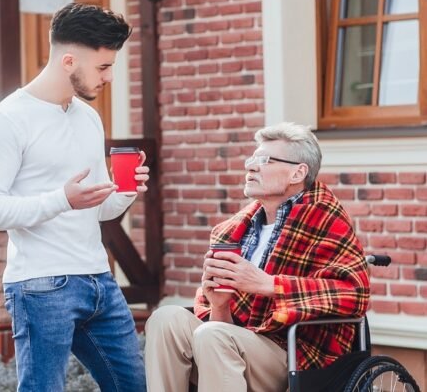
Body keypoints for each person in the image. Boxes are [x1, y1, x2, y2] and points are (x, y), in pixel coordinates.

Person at [0, 3, 148, 392]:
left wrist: (125, 190)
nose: (110, 77)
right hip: (40, 285)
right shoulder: (7, 120)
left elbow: (97, 208)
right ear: (69, 61)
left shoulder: (89, 118)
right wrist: (61, 200)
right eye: (103, 67)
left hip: (99, 279)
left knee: (133, 385)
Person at [144, 122, 370, 392]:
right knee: (166, 319)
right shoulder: (232, 230)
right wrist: (219, 306)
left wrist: (269, 284)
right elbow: (223, 325)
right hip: (235, 338)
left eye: (265, 161)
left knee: (214, 335)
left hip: (295, 353)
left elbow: (354, 292)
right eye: (252, 159)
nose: (251, 167)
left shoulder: (325, 219)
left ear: (298, 173)